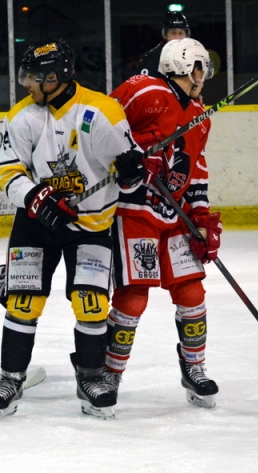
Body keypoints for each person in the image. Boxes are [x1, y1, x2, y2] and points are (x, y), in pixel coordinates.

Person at [0, 38, 147, 420]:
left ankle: (90, 378)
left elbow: (131, 177)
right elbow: (9, 173)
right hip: (35, 224)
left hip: (90, 224)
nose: (26, 84)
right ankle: (11, 378)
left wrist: (132, 172)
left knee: (91, 303)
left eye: (33, 77)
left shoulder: (102, 112)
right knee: (23, 301)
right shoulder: (22, 116)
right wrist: (37, 198)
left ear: (56, 78)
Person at [90, 37, 221, 417]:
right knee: (133, 297)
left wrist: (201, 216)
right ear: (186, 65)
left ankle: (194, 369)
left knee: (192, 293)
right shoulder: (144, 90)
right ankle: (108, 375)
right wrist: (129, 156)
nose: (204, 76)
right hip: (134, 210)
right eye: (201, 67)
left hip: (175, 215)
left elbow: (196, 166)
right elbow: (100, 123)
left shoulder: (200, 115)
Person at [132, 10, 191, 78]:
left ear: (186, 35)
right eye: (173, 33)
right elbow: (142, 82)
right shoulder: (153, 57)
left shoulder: (191, 54)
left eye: (181, 33)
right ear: (165, 35)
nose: (177, 37)